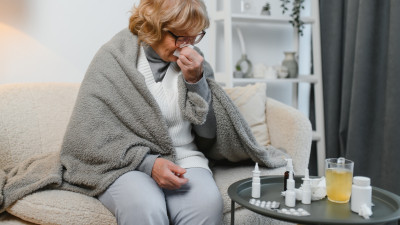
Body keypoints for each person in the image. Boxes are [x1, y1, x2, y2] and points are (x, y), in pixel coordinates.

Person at [96, 0, 223, 224]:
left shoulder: (197, 64)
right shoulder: (115, 59)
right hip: (127, 164)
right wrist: (149, 164)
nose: (188, 45)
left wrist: (196, 82)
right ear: (154, 27)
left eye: (195, 36)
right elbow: (94, 133)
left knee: (207, 205)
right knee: (145, 205)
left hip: (184, 158)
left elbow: (210, 135)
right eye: (180, 37)